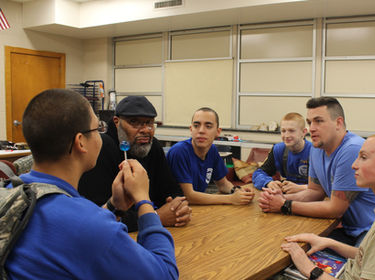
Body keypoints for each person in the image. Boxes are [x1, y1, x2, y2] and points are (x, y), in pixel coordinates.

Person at [5, 89, 178, 279]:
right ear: (81, 142)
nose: (101, 137)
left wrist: (115, 206)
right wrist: (144, 201)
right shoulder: (88, 224)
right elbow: (165, 275)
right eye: (97, 129)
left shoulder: (9, 194)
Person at [281, 135, 375, 280]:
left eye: (363, 157)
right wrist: (328, 242)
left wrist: (309, 269)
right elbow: (370, 256)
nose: (354, 165)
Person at [258, 97, 375, 246]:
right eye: (309, 122)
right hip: (348, 229)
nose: (312, 128)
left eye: (319, 121)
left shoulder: (352, 149)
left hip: (371, 231)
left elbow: (335, 209)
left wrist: (284, 205)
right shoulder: (317, 148)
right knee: (287, 246)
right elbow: (314, 192)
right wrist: (278, 198)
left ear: (338, 123)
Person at [79, 96, 191, 231]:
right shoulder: (102, 148)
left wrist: (178, 208)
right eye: (135, 123)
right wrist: (156, 217)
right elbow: (96, 214)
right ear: (117, 122)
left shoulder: (153, 146)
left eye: (149, 123)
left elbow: (172, 190)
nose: (145, 130)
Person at [166, 107, 255, 205]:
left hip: (195, 209)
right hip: (174, 210)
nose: (201, 131)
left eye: (208, 126)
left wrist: (238, 191)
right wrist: (231, 199)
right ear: (191, 129)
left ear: (218, 132)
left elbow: (223, 184)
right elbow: (189, 196)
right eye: (196, 125)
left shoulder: (212, 150)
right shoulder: (179, 151)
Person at [252, 112, 311, 194]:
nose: (286, 135)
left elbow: (329, 185)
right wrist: (268, 183)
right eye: (283, 131)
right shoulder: (278, 149)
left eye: (291, 131)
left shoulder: (317, 151)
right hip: (286, 197)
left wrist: (301, 188)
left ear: (304, 132)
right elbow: (258, 173)